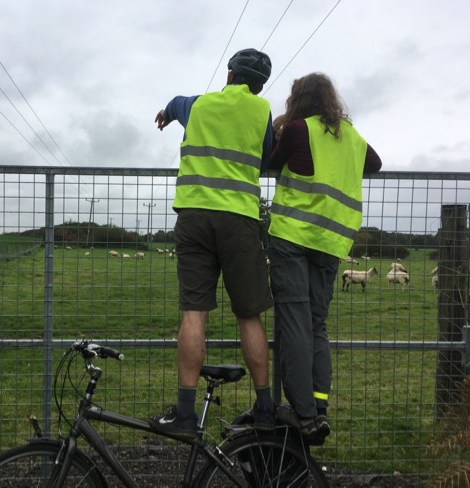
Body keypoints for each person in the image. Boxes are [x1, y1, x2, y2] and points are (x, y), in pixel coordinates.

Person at [149, 48, 275, 439]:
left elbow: (173, 103)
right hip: (239, 220)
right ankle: (266, 409)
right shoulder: (262, 112)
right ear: (259, 85)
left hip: (194, 218)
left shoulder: (198, 106)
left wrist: (166, 116)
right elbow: (267, 157)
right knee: (249, 315)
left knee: (194, 312)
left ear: (230, 74)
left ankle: (185, 412)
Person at [267, 72, 382, 440]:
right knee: (316, 324)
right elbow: (375, 163)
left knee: (296, 322)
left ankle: (301, 412)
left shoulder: (299, 130)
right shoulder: (352, 137)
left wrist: (281, 130)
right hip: (331, 244)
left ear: (299, 100)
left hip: (292, 238)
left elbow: (271, 162)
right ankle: (318, 405)